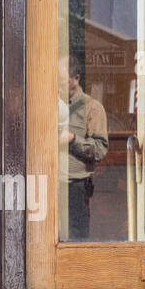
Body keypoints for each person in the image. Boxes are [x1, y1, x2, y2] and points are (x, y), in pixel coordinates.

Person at [58, 55, 108, 240]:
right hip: (47, 184)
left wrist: (72, 140)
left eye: (61, 80)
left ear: (76, 78)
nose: (57, 85)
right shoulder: (49, 105)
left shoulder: (92, 108)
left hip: (75, 187)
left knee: (76, 239)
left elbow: (100, 150)